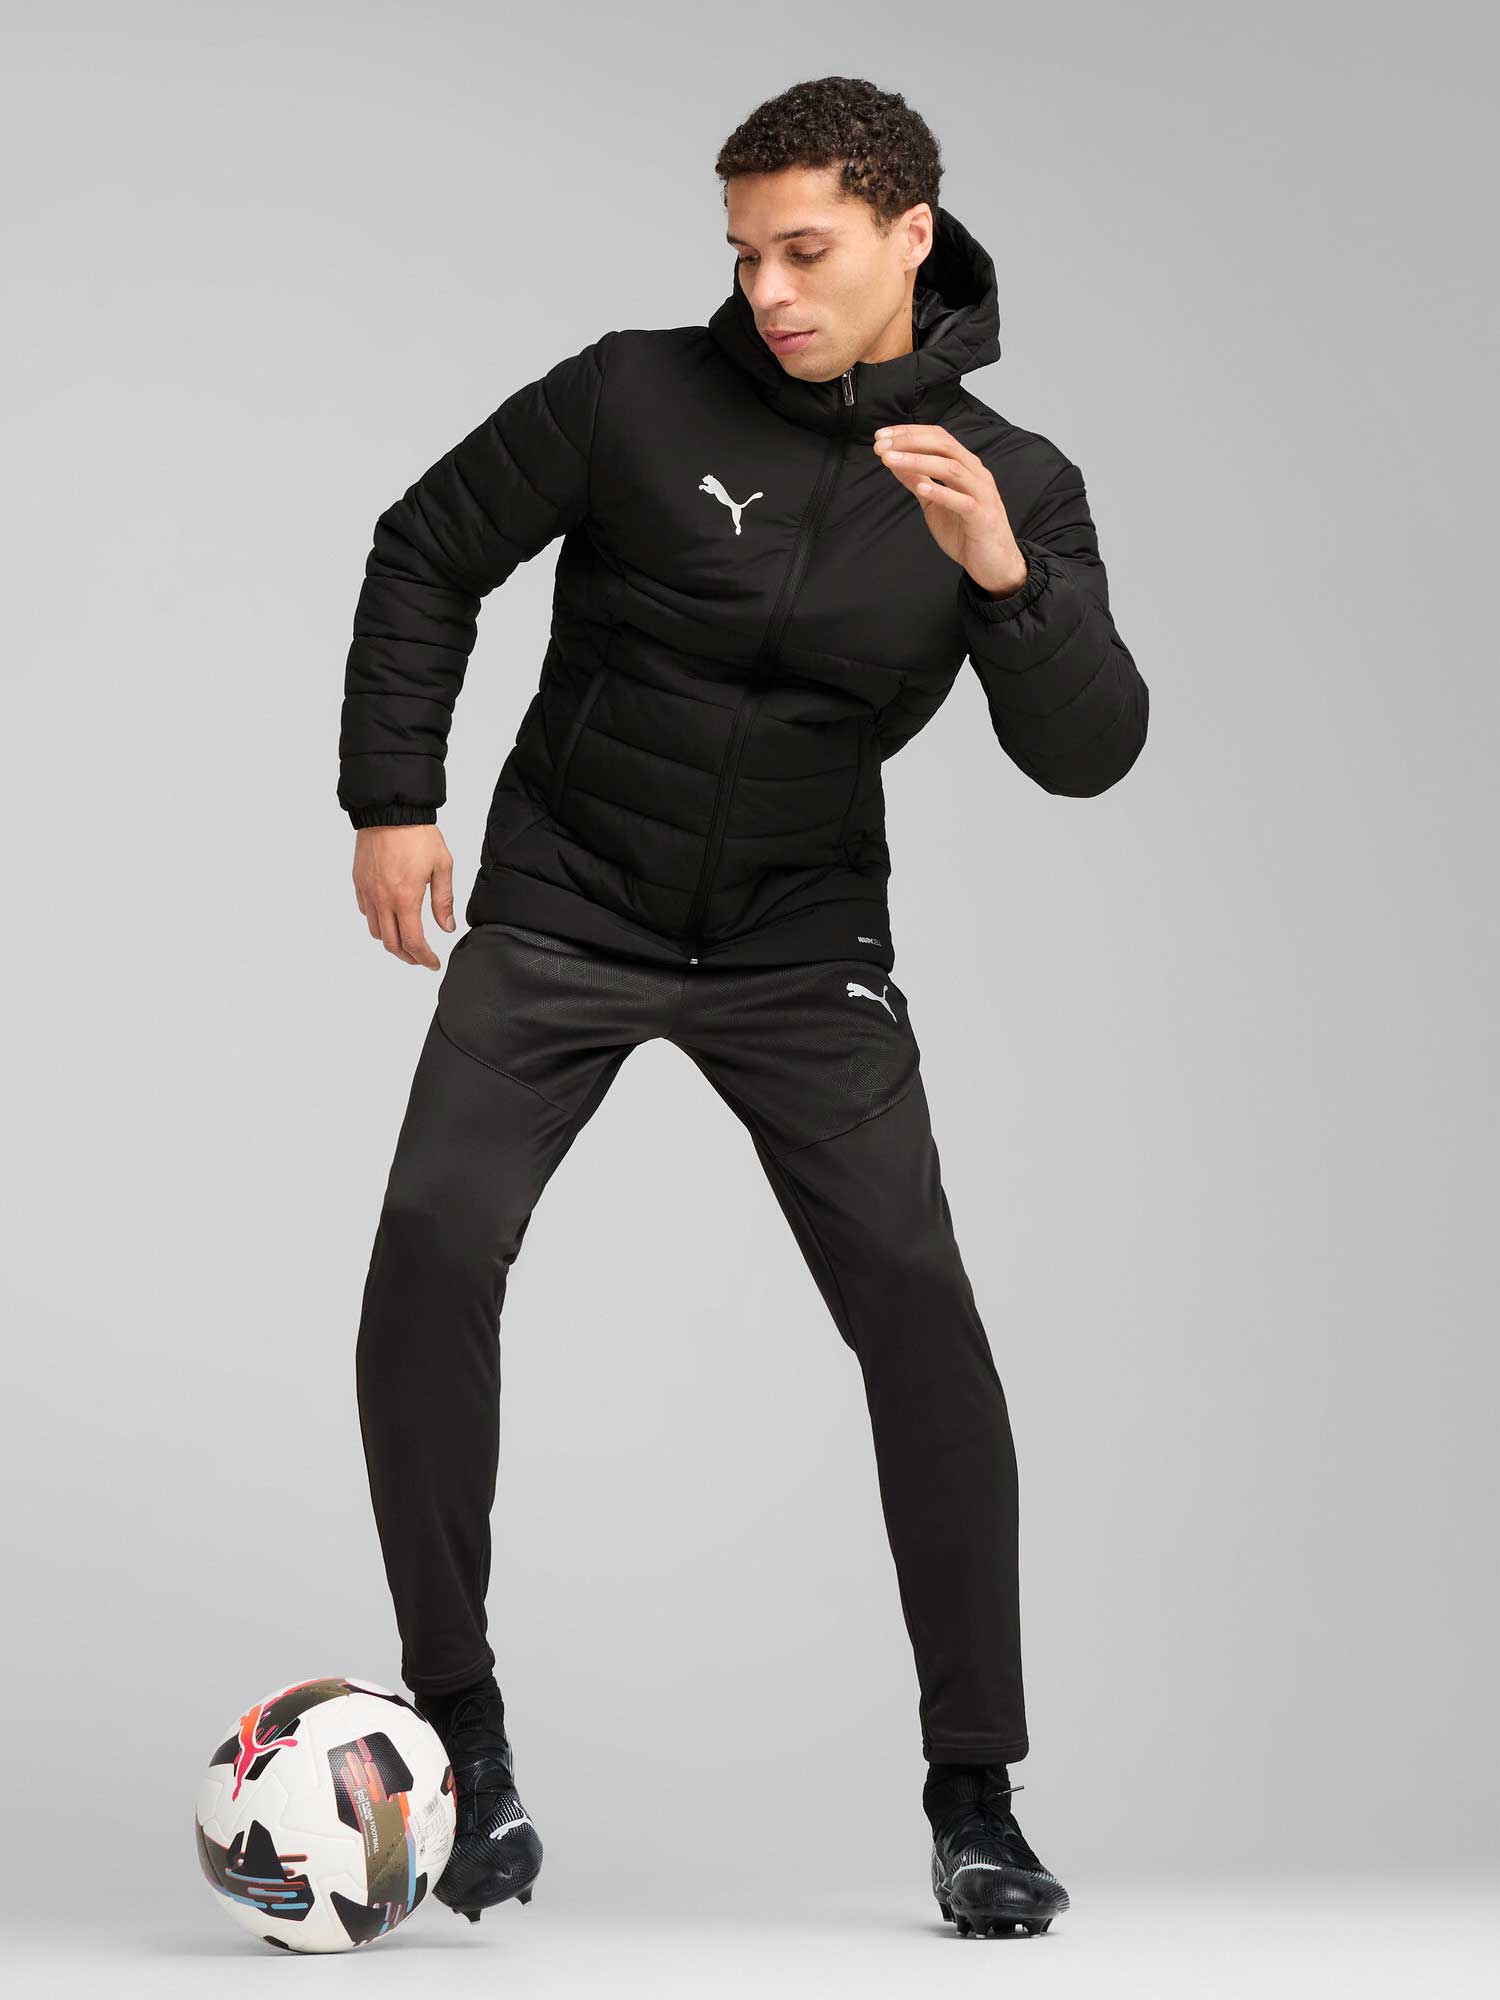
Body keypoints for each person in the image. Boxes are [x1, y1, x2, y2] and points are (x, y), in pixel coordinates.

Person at [339, 75, 1148, 1939]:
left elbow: (1092, 753)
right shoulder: (633, 394)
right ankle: (466, 1743)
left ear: (910, 237)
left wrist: (1005, 583)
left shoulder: (1012, 482)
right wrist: (393, 796)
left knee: (919, 1307)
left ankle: (975, 1801)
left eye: (806, 251)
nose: (767, 291)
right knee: (432, 1244)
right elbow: (427, 542)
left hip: (800, 939)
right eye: (742, 253)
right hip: (570, 900)